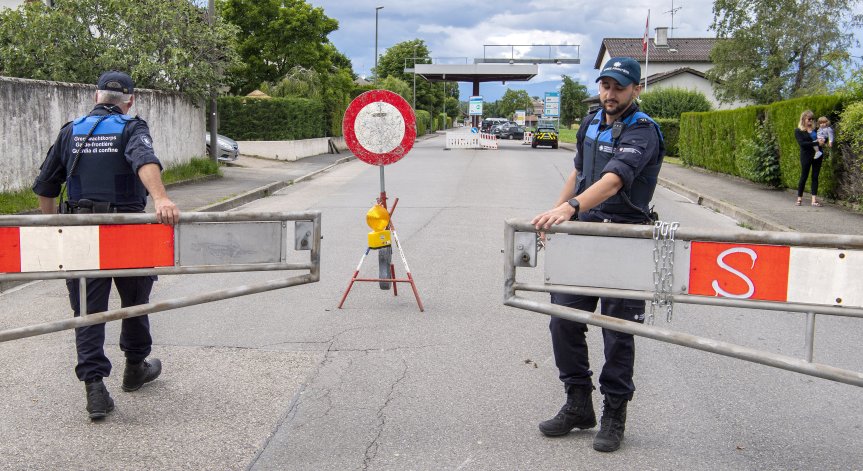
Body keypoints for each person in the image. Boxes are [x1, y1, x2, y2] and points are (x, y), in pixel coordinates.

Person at [531, 57, 665, 453]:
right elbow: (579, 174)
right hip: (582, 236)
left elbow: (613, 180)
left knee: (617, 330)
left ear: (636, 90)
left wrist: (570, 208)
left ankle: (614, 413)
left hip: (623, 240)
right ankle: (577, 404)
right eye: (605, 85)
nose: (609, 93)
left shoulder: (644, 132)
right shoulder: (591, 121)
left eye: (618, 87)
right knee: (563, 319)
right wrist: (556, 216)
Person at [32, 71, 180, 421]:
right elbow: (144, 160)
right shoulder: (131, 127)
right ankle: (134, 367)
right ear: (129, 101)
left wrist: (54, 227)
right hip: (125, 230)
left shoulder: (71, 131)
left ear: (95, 97)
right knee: (134, 302)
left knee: (88, 309)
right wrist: (161, 199)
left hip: (81, 230)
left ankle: (95, 390)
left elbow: (45, 186)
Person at [794, 110, 825, 206]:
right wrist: (816, 143)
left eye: (812, 119)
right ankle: (799, 199)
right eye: (809, 119)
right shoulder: (798, 131)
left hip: (818, 156)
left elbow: (823, 138)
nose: (811, 121)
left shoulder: (816, 130)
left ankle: (814, 200)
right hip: (806, 156)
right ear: (803, 119)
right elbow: (803, 144)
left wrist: (823, 140)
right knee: (804, 176)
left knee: (815, 177)